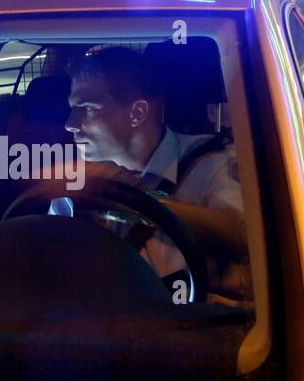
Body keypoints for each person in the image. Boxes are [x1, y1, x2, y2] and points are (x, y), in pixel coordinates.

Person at [64, 46, 248, 300]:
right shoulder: (85, 176)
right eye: (73, 108)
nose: (70, 124)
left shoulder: (211, 164)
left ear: (137, 113)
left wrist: (135, 197)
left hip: (195, 331)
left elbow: (241, 234)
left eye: (88, 108)